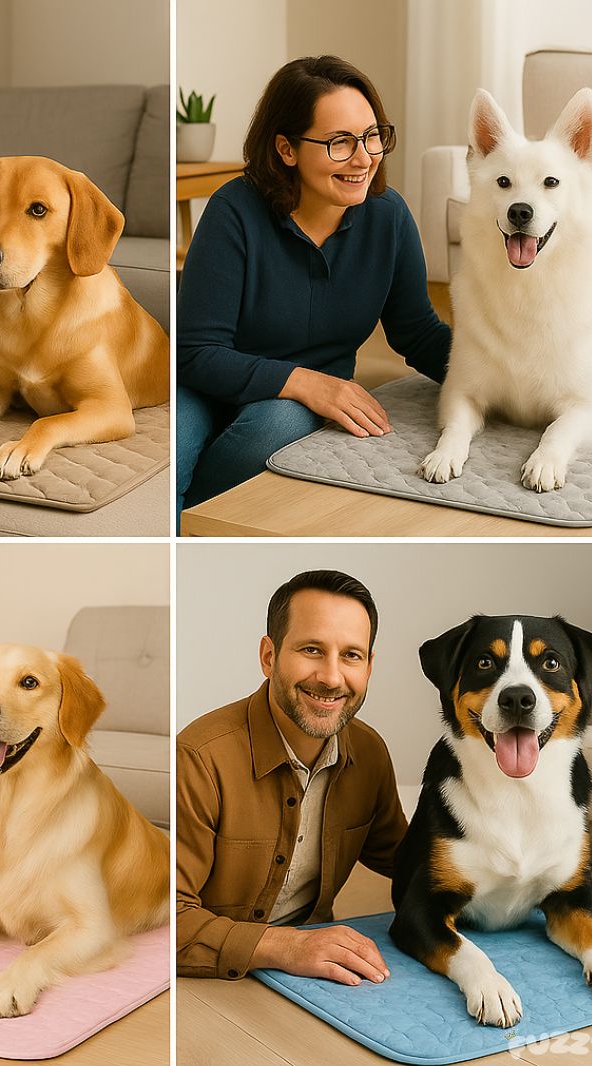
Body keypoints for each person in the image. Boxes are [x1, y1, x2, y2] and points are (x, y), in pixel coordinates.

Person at [177, 56, 452, 524]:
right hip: (207, 387)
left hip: (288, 406)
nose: (364, 158)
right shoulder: (233, 212)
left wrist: (508, 378)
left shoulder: (388, 217)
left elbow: (417, 333)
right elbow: (195, 351)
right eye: (340, 143)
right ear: (286, 149)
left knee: (275, 426)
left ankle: (192, 524)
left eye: (371, 136)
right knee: (175, 444)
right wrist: (307, 381)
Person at [177, 569, 407, 984]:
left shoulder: (369, 753)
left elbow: (410, 863)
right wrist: (288, 947)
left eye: (351, 655)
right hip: (206, 980)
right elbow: (164, 920)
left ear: (370, 666)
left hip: (313, 978)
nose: (332, 678)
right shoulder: (198, 758)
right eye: (312, 650)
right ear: (269, 656)